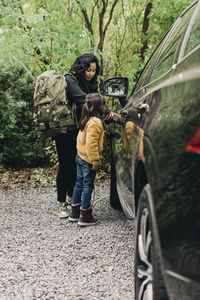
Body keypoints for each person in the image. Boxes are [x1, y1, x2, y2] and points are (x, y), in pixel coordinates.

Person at [54, 53, 114, 218]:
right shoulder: (70, 79)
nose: (91, 73)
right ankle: (61, 204)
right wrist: (106, 110)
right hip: (65, 130)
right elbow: (83, 99)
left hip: (80, 129)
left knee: (76, 164)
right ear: (82, 68)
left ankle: (73, 200)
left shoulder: (91, 84)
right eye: (88, 70)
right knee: (65, 164)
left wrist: (107, 118)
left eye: (94, 71)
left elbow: (92, 108)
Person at [69, 93, 106, 226]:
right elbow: (91, 144)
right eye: (104, 105)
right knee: (87, 185)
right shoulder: (95, 123)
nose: (105, 108)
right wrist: (95, 161)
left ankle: (75, 212)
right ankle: (85, 215)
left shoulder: (86, 119)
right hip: (88, 159)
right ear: (99, 107)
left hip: (80, 156)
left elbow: (81, 140)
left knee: (79, 182)